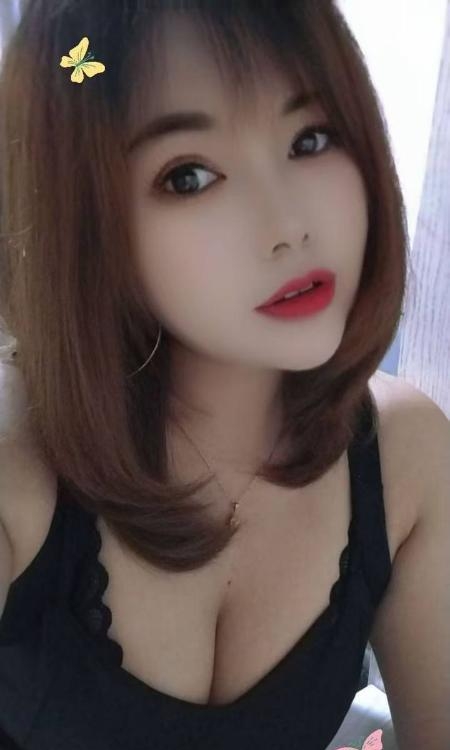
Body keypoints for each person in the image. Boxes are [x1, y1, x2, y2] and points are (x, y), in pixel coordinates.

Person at [0, 2, 449, 748]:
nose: (288, 225)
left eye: (310, 139)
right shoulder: (20, 457)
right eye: (190, 177)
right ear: (85, 219)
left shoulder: (405, 460)